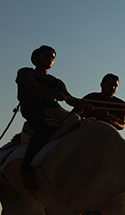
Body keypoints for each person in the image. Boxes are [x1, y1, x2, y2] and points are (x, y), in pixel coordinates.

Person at [15, 45, 80, 190]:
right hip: (33, 107)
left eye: (53, 57)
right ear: (35, 58)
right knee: (45, 127)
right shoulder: (25, 72)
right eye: (47, 56)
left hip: (54, 109)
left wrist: (85, 105)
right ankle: (26, 169)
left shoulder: (57, 82)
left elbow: (69, 98)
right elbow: (34, 87)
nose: (50, 59)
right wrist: (54, 94)